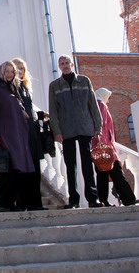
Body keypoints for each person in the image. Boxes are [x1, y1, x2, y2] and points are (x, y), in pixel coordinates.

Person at [48, 54, 103, 208]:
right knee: (70, 166)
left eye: (67, 62)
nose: (65, 65)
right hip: (66, 130)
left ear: (72, 64)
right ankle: (73, 200)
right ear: (59, 66)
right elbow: (53, 110)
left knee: (87, 164)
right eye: (62, 63)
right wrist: (56, 131)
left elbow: (93, 104)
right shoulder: (54, 86)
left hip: (85, 127)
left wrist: (98, 126)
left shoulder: (84, 81)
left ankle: (93, 198)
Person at [0, 61, 35, 211]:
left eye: (12, 72)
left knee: (16, 169)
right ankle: (2, 202)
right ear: (0, 72)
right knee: (9, 169)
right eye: (7, 71)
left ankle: (9, 203)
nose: (9, 74)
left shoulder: (11, 89)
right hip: (5, 135)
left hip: (17, 135)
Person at [92, 87, 137, 207]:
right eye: (109, 97)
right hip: (106, 146)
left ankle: (103, 200)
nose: (109, 100)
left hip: (101, 146)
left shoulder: (96, 105)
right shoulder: (101, 105)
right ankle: (128, 199)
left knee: (102, 175)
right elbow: (101, 125)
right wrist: (104, 144)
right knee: (117, 173)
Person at [12, 57, 47, 210]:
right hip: (19, 132)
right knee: (21, 169)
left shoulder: (25, 87)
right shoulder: (11, 88)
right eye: (17, 68)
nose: (20, 71)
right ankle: (22, 203)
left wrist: (40, 115)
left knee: (34, 168)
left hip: (32, 131)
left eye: (22, 68)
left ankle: (35, 203)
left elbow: (29, 109)